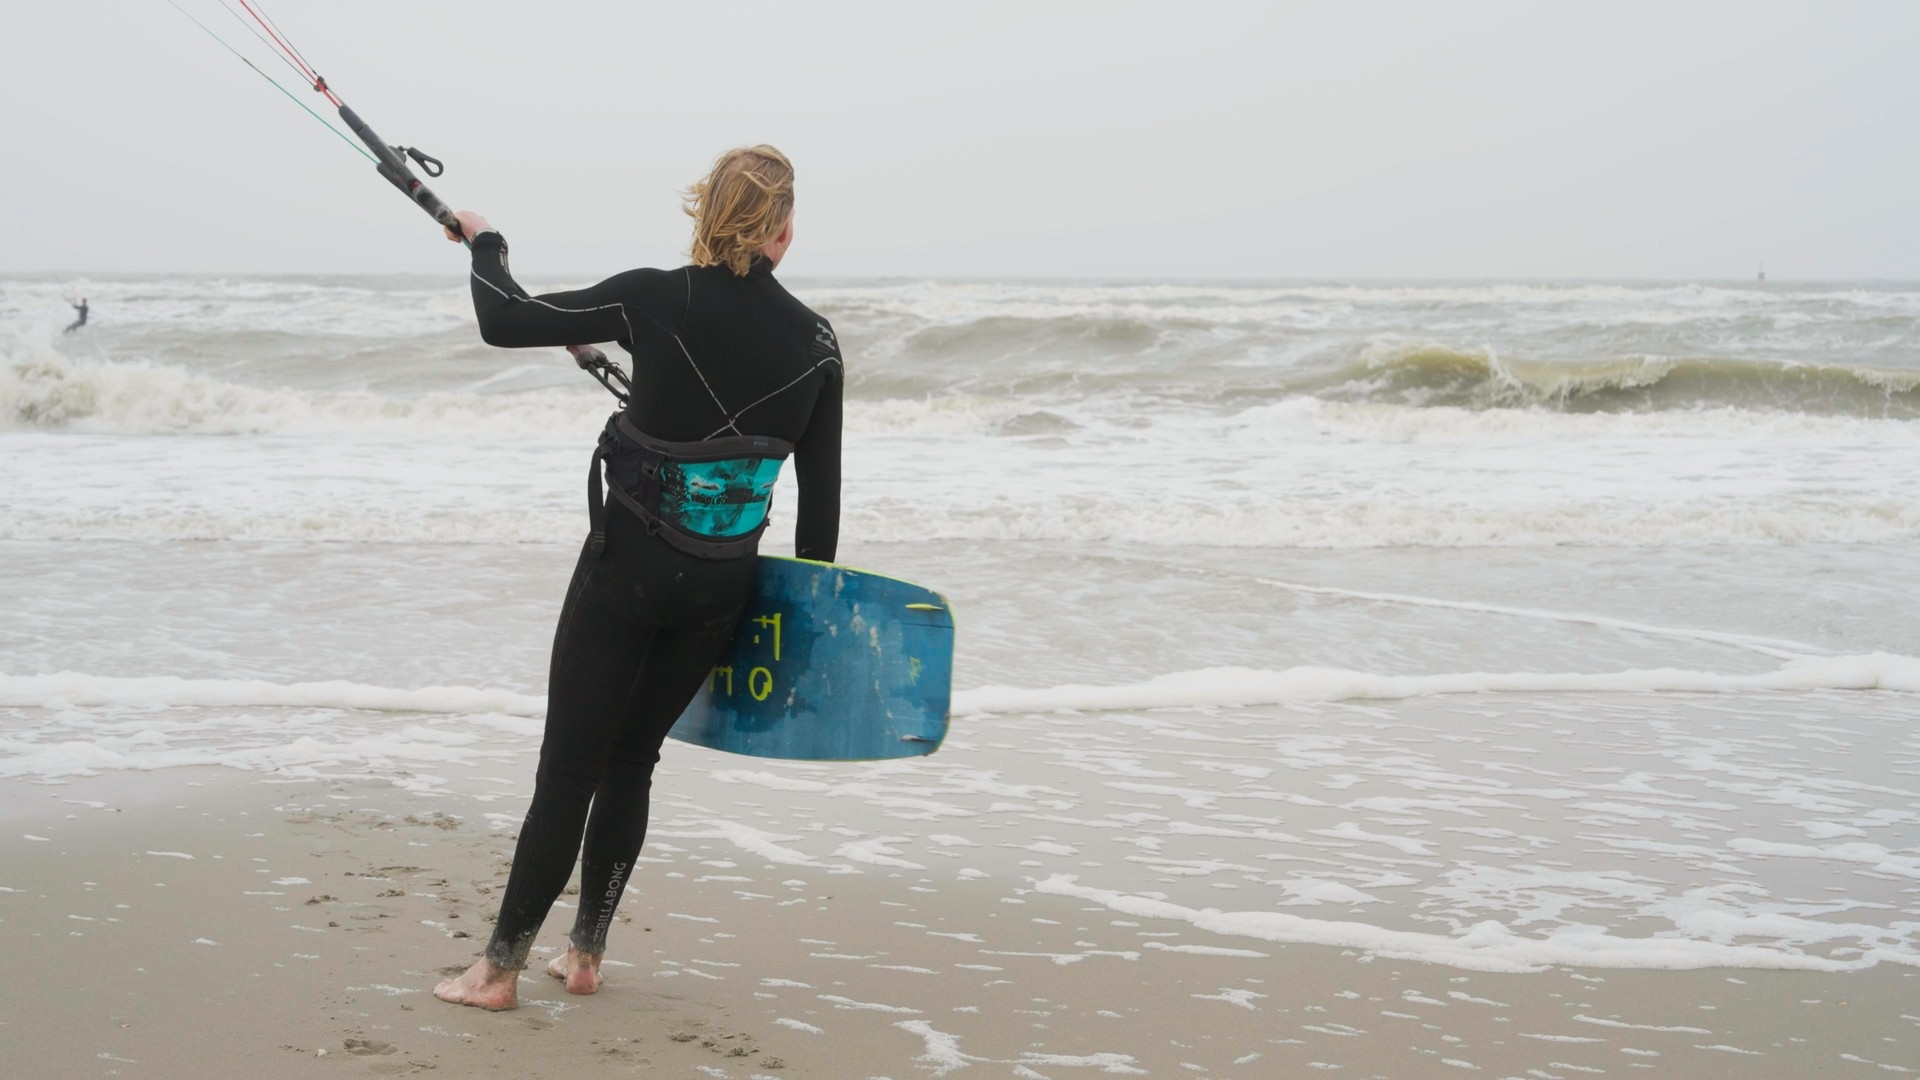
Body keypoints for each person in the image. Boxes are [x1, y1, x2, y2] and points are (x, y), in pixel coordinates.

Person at [433, 146, 843, 1011]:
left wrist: (483, 239)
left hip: (627, 572)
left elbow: (505, 318)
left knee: (569, 766)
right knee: (632, 761)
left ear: (706, 213)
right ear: (783, 230)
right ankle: (584, 956)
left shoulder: (657, 295)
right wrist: (792, 640)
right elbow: (819, 521)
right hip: (719, 590)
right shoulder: (817, 341)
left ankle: (498, 970)